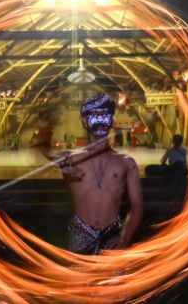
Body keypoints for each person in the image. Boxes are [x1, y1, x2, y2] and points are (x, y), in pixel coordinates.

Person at [55, 92, 143, 255]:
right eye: (94, 115)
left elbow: (137, 206)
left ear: (112, 121)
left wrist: (124, 237)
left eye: (105, 115)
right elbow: (49, 158)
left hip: (113, 236)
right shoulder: (69, 157)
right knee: (79, 280)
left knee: (111, 280)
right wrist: (59, 165)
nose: (101, 119)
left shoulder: (126, 163)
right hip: (80, 235)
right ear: (83, 121)